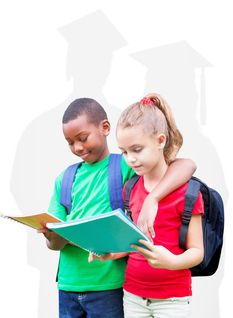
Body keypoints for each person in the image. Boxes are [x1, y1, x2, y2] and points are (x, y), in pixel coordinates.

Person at [39, 97, 197, 318]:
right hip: (68, 285)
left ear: (105, 128)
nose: (77, 147)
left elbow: (186, 165)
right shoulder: (64, 179)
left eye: (83, 138)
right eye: (70, 142)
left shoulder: (125, 165)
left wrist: (153, 198)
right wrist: (51, 233)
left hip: (110, 284)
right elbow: (53, 244)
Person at [116, 93, 204, 318]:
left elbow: (197, 252)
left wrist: (172, 261)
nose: (130, 159)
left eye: (137, 150)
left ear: (160, 141)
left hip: (172, 299)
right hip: (133, 295)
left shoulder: (188, 192)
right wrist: (112, 253)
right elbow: (135, 242)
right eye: (124, 152)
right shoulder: (131, 188)